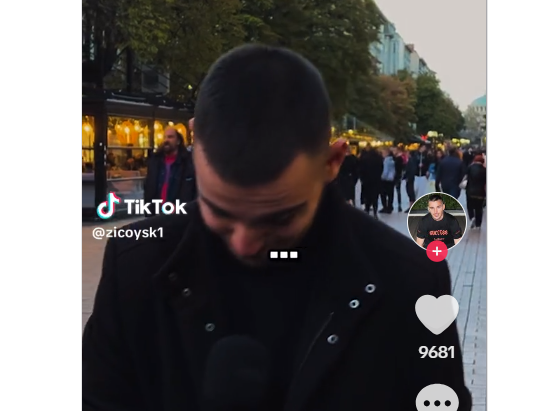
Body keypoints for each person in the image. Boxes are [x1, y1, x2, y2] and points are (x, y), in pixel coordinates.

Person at [83, 44, 471, 411]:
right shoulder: (136, 264)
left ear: (332, 162)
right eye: (221, 212)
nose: (244, 243)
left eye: (279, 218)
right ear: (194, 140)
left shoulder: (408, 280)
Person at [143, 126, 197, 215]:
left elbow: (192, 189)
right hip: (156, 213)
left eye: (170, 137)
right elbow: (148, 186)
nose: (166, 140)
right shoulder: (155, 161)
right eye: (165, 137)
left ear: (178, 141)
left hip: (178, 214)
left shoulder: (188, 162)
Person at [358, 145, 383, 218]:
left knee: (367, 196)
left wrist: (362, 178)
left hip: (367, 181)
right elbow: (381, 168)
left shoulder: (365, 159)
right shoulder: (379, 158)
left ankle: (367, 210)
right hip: (376, 180)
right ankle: (375, 211)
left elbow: (361, 169)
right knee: (375, 197)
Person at [465, 155, 487, 229]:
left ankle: (472, 217)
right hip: (480, 193)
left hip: (470, 191)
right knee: (479, 208)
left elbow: (466, 177)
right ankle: (478, 224)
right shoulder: (485, 170)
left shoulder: (470, 168)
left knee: (470, 206)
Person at [379, 148, 395, 214]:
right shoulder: (392, 159)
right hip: (391, 179)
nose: (382, 154)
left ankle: (385, 207)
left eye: (383, 153)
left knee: (383, 194)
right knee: (390, 194)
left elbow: (385, 171)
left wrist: (382, 177)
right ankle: (390, 207)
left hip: (385, 180)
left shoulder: (386, 160)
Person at [392, 147, 404, 212]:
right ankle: (392, 205)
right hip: (393, 177)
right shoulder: (393, 158)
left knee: (398, 191)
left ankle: (399, 205)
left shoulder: (399, 159)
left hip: (397, 177)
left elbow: (400, 168)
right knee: (393, 191)